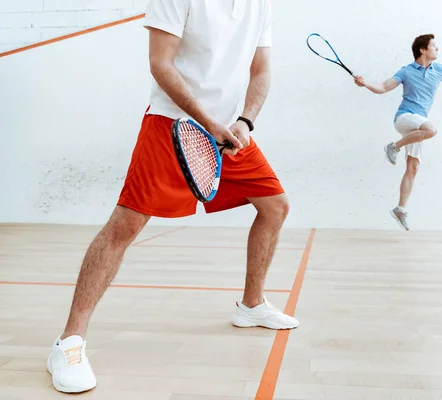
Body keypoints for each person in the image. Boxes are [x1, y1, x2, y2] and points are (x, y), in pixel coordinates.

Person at [46, 0, 298, 393]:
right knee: (126, 224)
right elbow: (160, 63)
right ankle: (69, 342)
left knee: (275, 207)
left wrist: (245, 121)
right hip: (172, 123)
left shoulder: (259, 4)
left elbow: (261, 69)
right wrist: (208, 121)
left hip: (231, 132)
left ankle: (251, 306)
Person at [353, 34, 442, 230]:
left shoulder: (440, 70)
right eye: (434, 45)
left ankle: (400, 209)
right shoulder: (406, 71)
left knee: (413, 167)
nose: (438, 49)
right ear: (423, 50)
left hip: (417, 126)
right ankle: (393, 147)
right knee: (431, 129)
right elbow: (384, 87)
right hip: (404, 118)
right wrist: (365, 83)